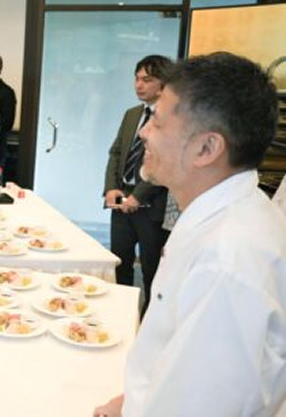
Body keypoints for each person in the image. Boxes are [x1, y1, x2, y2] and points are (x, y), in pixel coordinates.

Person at [93, 53, 286, 416]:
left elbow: (199, 405)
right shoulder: (215, 214)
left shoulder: (229, 261)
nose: (144, 132)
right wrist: (128, 402)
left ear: (206, 148)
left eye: (158, 123)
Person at [103, 55, 173, 316]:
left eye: (147, 79)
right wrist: (111, 188)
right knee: (119, 263)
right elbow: (116, 152)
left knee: (151, 271)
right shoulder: (132, 114)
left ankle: (145, 324)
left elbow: (165, 160)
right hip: (121, 199)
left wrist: (138, 196)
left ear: (163, 84)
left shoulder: (171, 118)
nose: (139, 84)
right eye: (137, 78)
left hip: (152, 206)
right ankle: (119, 316)